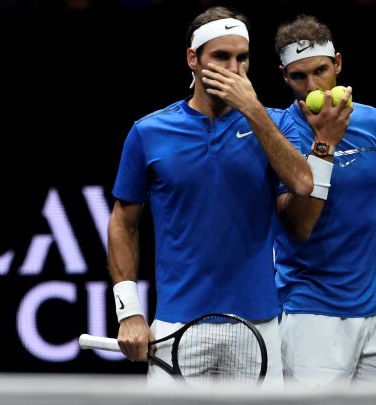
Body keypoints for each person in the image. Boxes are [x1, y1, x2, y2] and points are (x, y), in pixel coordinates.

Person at [107, 6, 315, 387]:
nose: (234, 68)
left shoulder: (274, 124)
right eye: (221, 56)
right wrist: (130, 312)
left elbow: (304, 184)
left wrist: (252, 109)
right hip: (176, 326)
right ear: (192, 59)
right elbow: (123, 223)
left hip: (259, 326)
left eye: (242, 58)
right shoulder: (148, 132)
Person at [271, 14, 376, 389]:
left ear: (338, 64)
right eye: (299, 77)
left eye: (320, 71)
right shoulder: (278, 135)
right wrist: (325, 145)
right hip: (312, 317)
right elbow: (299, 226)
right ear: (284, 77)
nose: (312, 86)